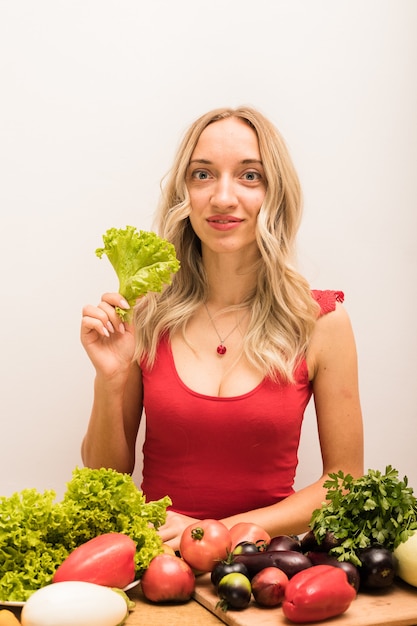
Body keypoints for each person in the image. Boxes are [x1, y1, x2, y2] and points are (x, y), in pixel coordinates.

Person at [80, 106, 363, 551]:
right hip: (160, 564)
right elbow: (104, 480)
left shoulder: (322, 323)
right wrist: (110, 379)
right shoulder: (144, 314)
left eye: (249, 175)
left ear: (275, 192)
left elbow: (343, 485)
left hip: (265, 567)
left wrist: (219, 533)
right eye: (202, 175)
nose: (223, 197)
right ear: (183, 193)